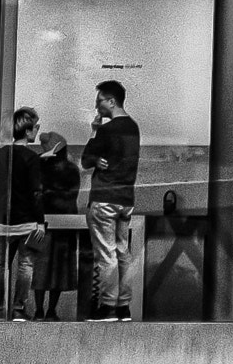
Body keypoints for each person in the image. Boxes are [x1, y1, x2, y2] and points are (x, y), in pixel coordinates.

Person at [81, 80, 140, 322]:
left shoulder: (107, 130)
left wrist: (94, 132)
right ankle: (123, 306)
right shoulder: (133, 128)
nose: (97, 106)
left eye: (100, 101)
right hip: (126, 198)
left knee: (106, 254)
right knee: (122, 251)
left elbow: (85, 160)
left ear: (111, 101)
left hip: (105, 197)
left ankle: (107, 306)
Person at [0, 106, 46, 321]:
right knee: (26, 265)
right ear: (28, 130)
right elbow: (36, 192)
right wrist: (40, 222)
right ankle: (18, 308)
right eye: (36, 127)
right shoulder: (31, 158)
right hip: (27, 221)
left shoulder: (1, 155)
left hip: (3, 221)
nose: (37, 132)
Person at [33, 131, 81, 320]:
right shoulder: (71, 169)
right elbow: (71, 196)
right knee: (60, 270)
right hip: (65, 223)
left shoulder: (39, 167)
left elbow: (36, 194)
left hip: (41, 223)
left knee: (39, 268)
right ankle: (51, 310)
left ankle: (38, 309)